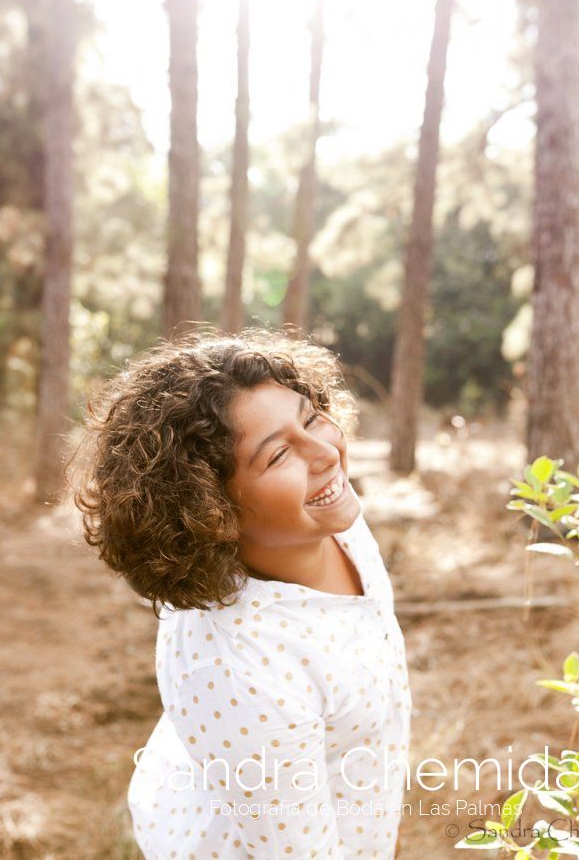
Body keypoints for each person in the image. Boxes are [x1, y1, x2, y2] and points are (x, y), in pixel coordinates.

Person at [69, 328, 411, 859]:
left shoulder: (327, 519)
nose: (326, 453)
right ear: (209, 507)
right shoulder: (236, 668)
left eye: (311, 416)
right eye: (278, 457)